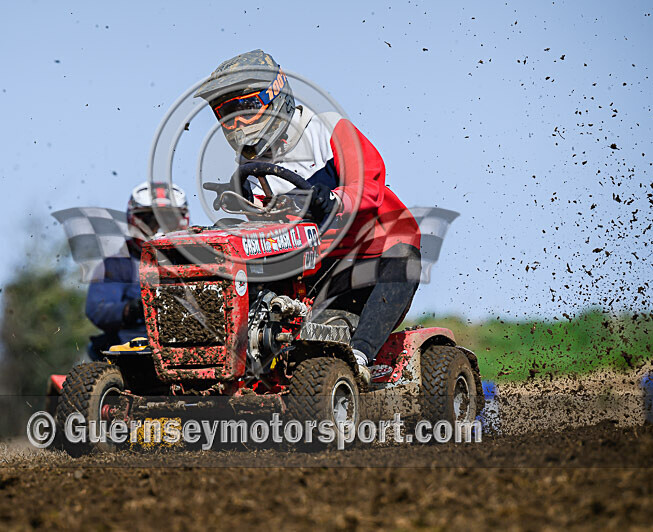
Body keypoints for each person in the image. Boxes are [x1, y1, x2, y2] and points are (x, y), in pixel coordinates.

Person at [195, 49, 422, 384]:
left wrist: (332, 198)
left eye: (247, 109)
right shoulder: (250, 167)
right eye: (228, 114)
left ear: (275, 94)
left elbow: (369, 181)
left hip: (375, 251)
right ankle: (232, 362)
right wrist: (237, 217)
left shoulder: (325, 127)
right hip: (319, 263)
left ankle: (358, 357)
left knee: (405, 259)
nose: (239, 124)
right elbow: (268, 228)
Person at [84, 182, 190, 360]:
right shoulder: (116, 266)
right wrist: (132, 309)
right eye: (150, 220)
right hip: (133, 350)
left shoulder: (196, 262)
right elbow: (98, 309)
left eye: (168, 220)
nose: (159, 228)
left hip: (189, 345)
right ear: (134, 221)